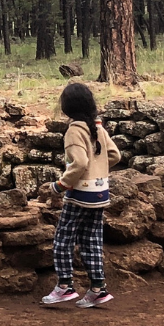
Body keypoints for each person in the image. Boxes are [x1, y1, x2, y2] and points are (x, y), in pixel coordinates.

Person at [43, 81, 121, 308]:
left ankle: (65, 285)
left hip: (80, 195)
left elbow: (79, 163)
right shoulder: (98, 128)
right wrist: (99, 171)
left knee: (63, 239)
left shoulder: (74, 131)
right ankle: (98, 288)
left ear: (67, 108)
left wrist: (60, 185)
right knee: (92, 240)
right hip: (100, 193)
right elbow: (115, 155)